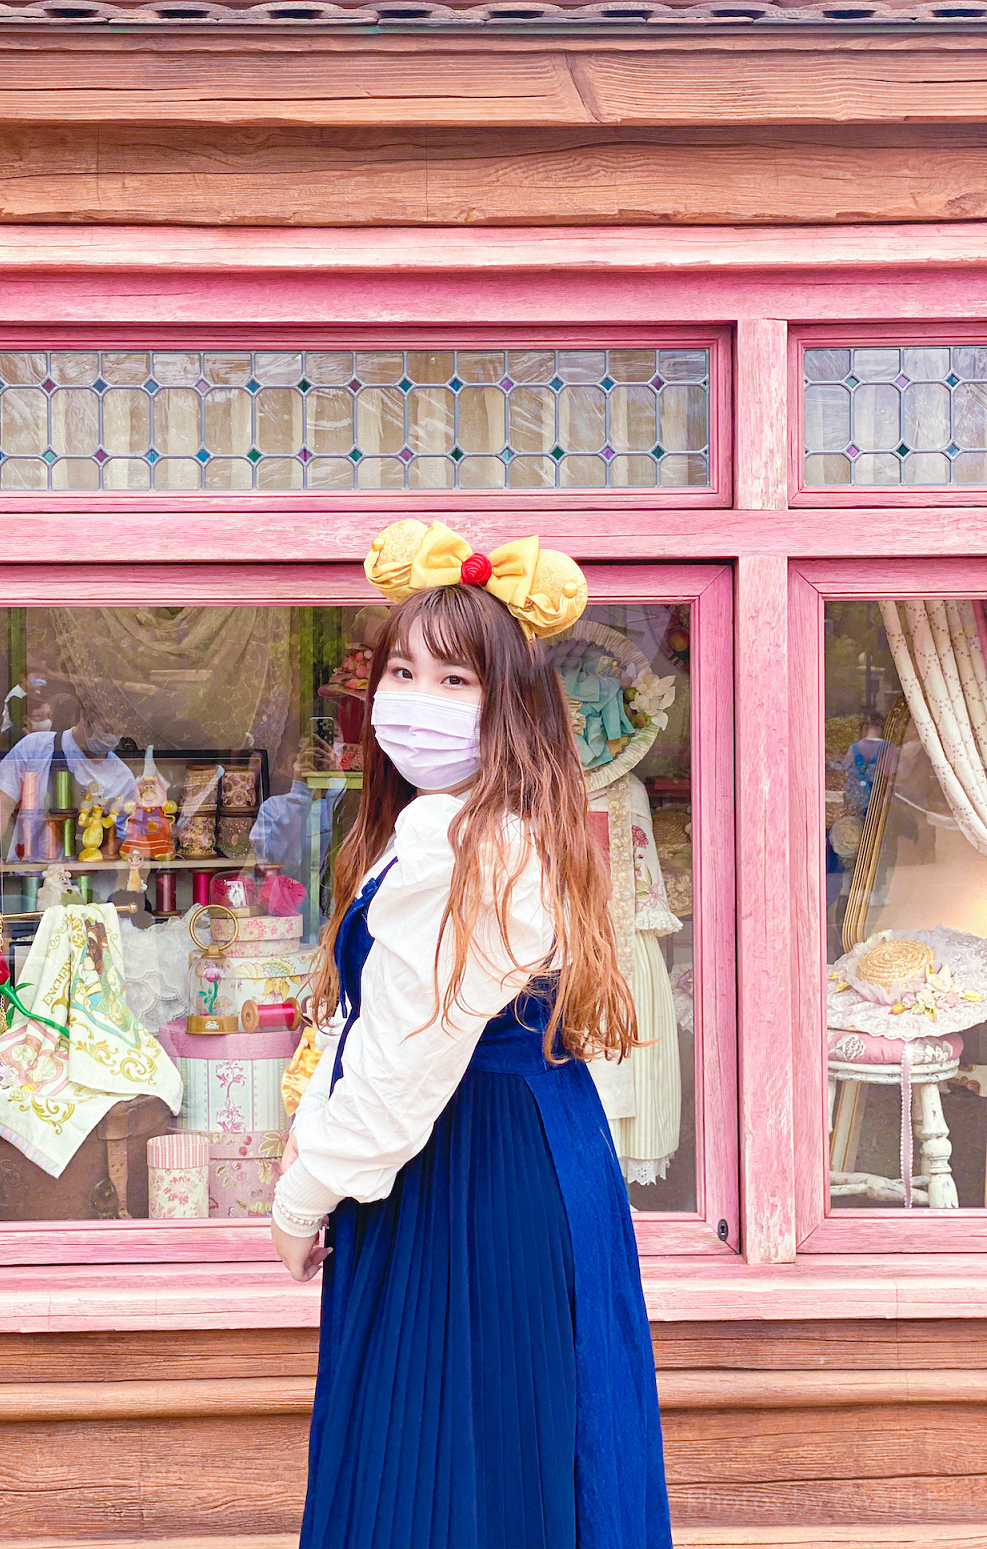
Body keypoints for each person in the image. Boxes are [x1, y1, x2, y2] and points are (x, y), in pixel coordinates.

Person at [271, 519, 672, 1549]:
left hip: (468, 1167)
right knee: (528, 1447)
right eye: (402, 671)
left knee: (456, 1461)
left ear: (512, 705)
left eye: (456, 681)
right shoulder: (485, 826)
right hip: (521, 1147)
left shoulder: (464, 849)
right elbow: (386, 1031)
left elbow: (403, 1063)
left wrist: (303, 1192)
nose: (416, 702)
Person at [0, 697, 136, 863]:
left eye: (116, 732)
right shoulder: (34, 747)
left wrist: (84, 869)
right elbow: (3, 807)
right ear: (84, 718)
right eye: (106, 729)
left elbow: (123, 836)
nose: (110, 737)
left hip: (92, 883)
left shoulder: (123, 777)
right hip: (30, 873)